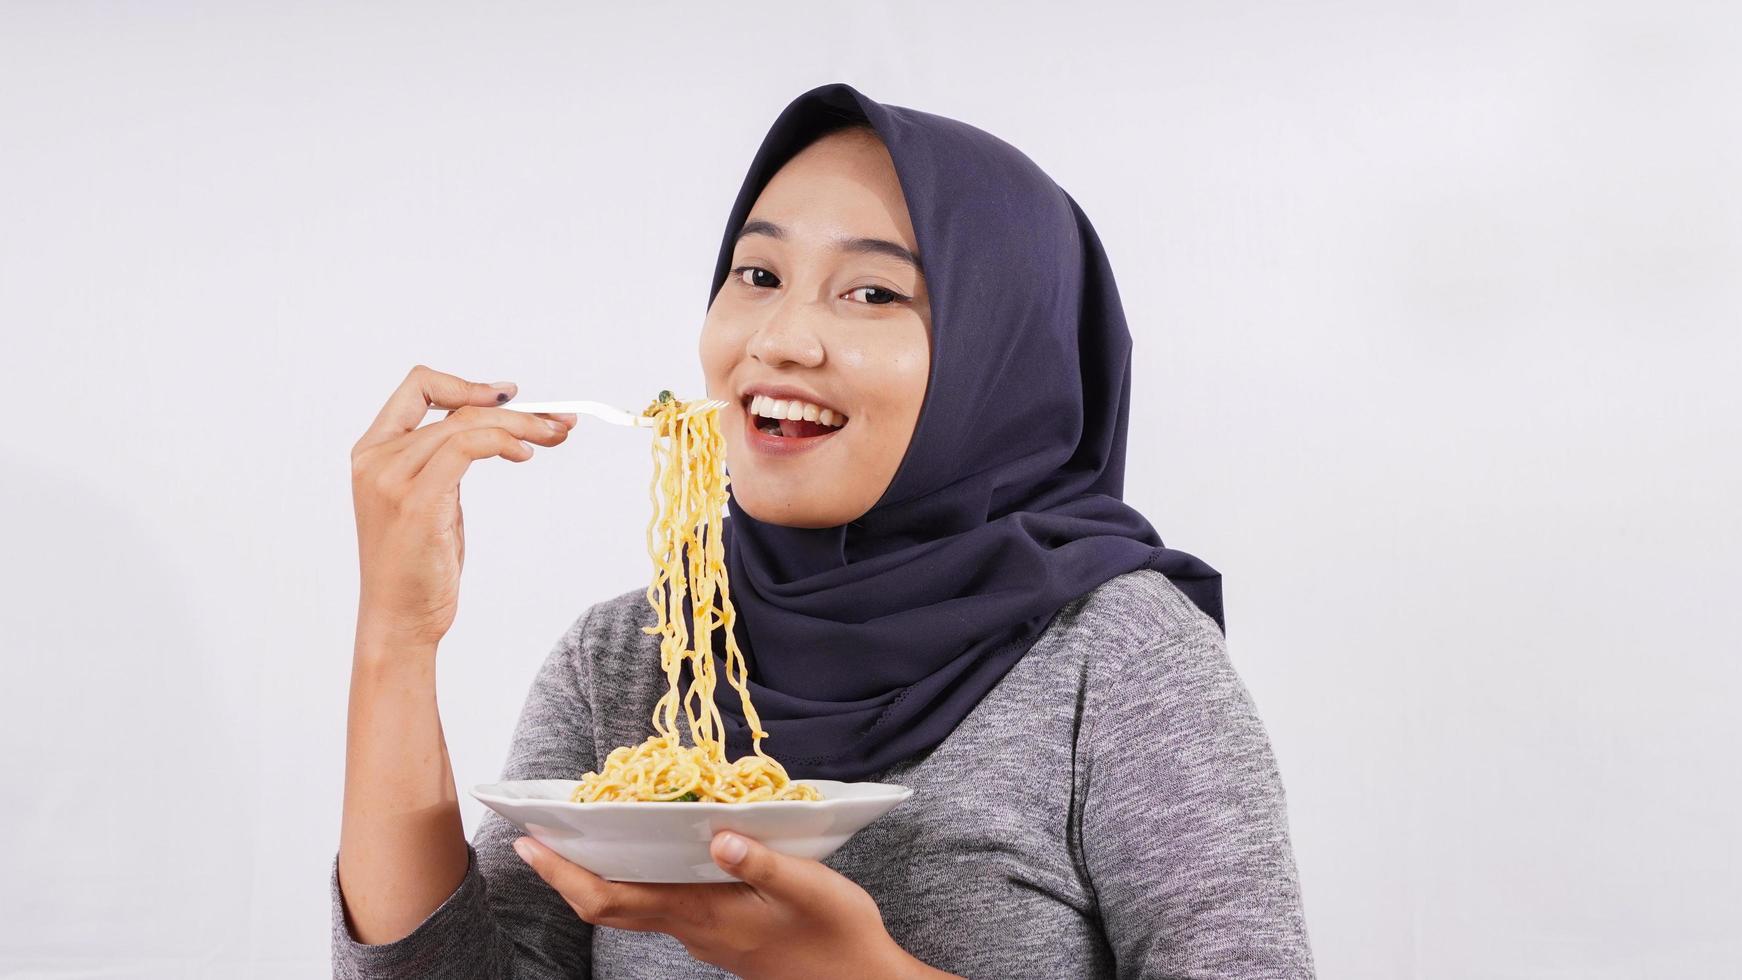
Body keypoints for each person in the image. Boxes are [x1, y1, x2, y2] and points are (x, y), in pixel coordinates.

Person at [334, 82, 1314, 979]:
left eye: (873, 292)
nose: (778, 338)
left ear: (997, 351)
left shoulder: (1111, 654)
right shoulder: (630, 659)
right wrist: (395, 632)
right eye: (756, 273)